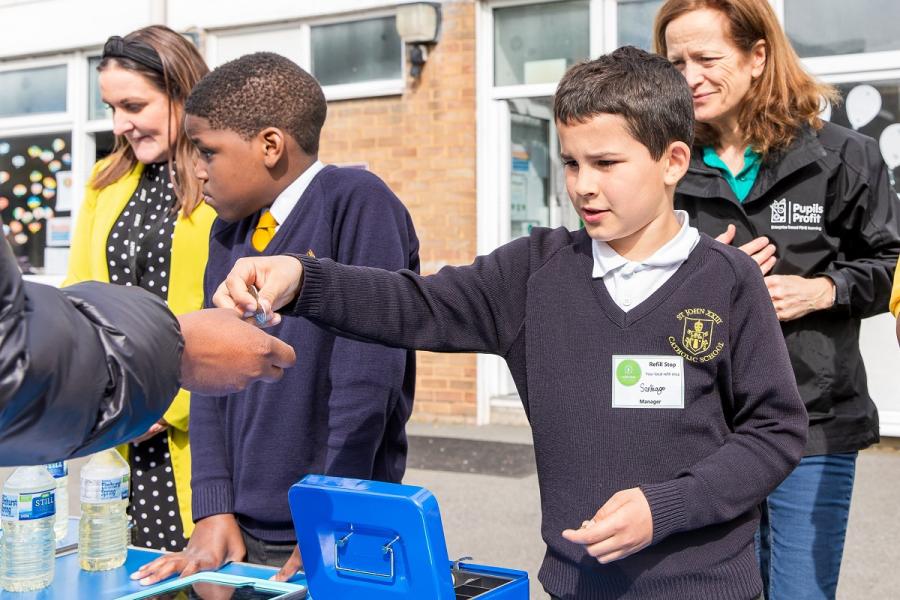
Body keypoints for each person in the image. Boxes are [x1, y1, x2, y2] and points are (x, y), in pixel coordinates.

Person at [213, 47, 807, 600]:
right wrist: (303, 277)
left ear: (673, 160)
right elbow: (413, 303)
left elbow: (775, 432)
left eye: (606, 163)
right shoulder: (534, 273)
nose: (583, 185)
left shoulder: (728, 279)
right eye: (571, 163)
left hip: (705, 587)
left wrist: (668, 507)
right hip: (577, 585)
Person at [133, 52, 418, 585]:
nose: (196, 170)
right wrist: (212, 507)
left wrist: (330, 516)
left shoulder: (357, 203)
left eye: (207, 151)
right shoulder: (229, 233)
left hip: (331, 524)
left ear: (270, 145)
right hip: (239, 529)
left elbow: (368, 381)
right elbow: (207, 375)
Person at [653, 1, 900, 598]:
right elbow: (622, 277)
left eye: (707, 58)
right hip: (698, 423)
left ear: (757, 55)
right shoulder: (663, 161)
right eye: (675, 61)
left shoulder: (843, 156)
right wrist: (704, 280)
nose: (689, 77)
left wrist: (822, 289)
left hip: (812, 420)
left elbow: (890, 266)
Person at [64, 25, 214, 551]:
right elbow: (77, 299)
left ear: (183, 93)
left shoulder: (224, 182)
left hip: (203, 435)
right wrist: (104, 398)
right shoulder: (104, 179)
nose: (119, 124)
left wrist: (160, 406)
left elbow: (239, 314)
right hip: (122, 434)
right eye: (111, 108)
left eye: (133, 104)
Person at [0, 231, 296, 466]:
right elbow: (14, 358)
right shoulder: (103, 188)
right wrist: (176, 351)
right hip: (125, 415)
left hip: (132, 416)